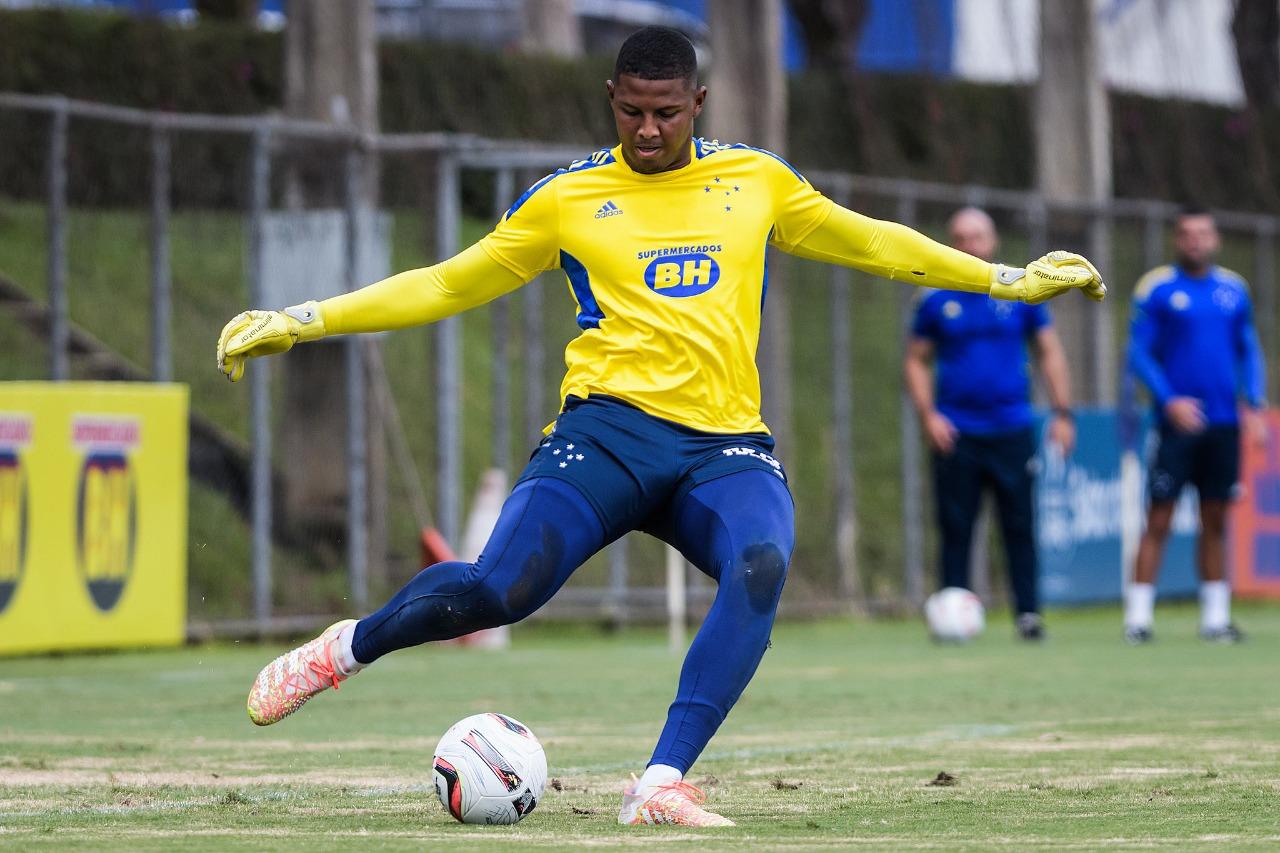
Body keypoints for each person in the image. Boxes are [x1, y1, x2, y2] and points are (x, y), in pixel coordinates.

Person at [217, 27, 1106, 826]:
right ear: (613, 100)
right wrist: (305, 318)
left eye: (668, 115)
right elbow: (448, 282)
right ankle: (347, 647)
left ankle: (661, 782)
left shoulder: (755, 180)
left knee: (760, 563)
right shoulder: (567, 199)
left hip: (724, 448)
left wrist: (1004, 280)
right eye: (634, 112)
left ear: (698, 106)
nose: (649, 131)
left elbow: (871, 240)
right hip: (604, 435)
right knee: (499, 591)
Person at [904, 207, 1075, 641]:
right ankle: (953, 613)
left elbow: (1049, 352)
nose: (970, 245)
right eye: (960, 237)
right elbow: (916, 360)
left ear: (993, 241)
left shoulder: (1019, 291)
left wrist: (1062, 412)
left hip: (1012, 428)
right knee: (955, 527)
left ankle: (1028, 614)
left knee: (1019, 523)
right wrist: (929, 415)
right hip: (956, 432)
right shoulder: (935, 296)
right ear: (950, 243)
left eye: (977, 236)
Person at [1125, 207, 1265, 645]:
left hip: (1224, 423)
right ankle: (1138, 619)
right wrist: (1169, 402)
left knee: (1216, 517)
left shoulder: (1233, 289)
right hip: (1177, 426)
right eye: (1186, 234)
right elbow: (1138, 354)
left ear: (1215, 239)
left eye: (1202, 233)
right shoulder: (1158, 288)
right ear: (1176, 240)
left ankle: (1215, 619)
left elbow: (1248, 349)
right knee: (1159, 517)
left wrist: (1255, 403)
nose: (1195, 241)